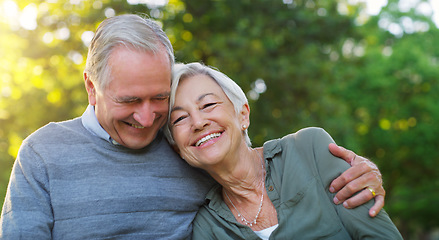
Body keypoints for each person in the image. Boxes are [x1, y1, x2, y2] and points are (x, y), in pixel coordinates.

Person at [1, 14, 384, 239]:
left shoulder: (189, 151)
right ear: (91, 87)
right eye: (129, 101)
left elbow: (249, 160)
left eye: (160, 98)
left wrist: (362, 174)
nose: (148, 117)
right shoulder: (43, 153)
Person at [165, 62, 403, 239]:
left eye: (208, 105)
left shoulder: (309, 149)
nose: (197, 122)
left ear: (243, 114)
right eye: (180, 119)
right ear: (177, 149)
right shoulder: (207, 228)